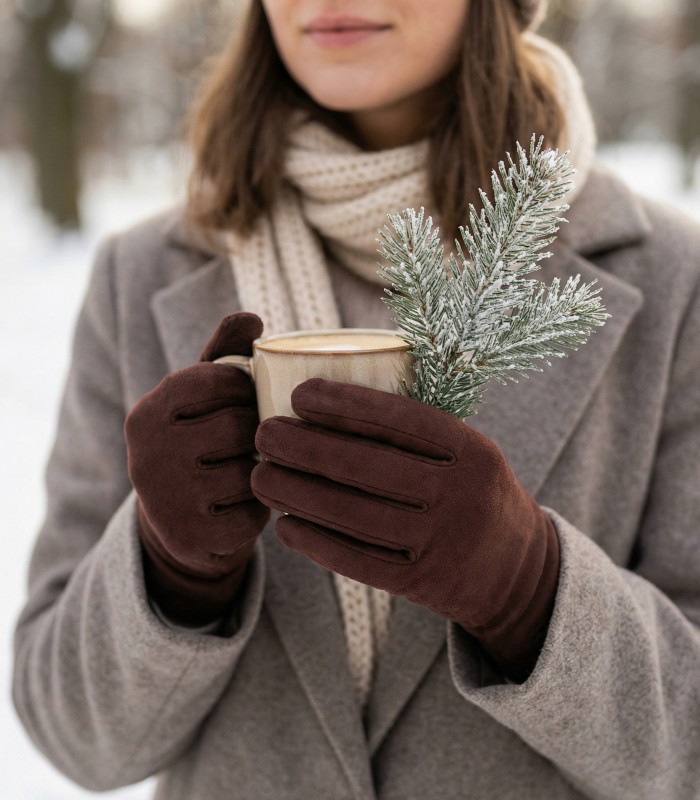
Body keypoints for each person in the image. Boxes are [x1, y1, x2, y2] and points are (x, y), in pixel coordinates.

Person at [11, 0, 700, 797]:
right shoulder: (140, 275)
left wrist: (527, 591)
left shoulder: (674, 282)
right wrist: (168, 573)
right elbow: (72, 738)